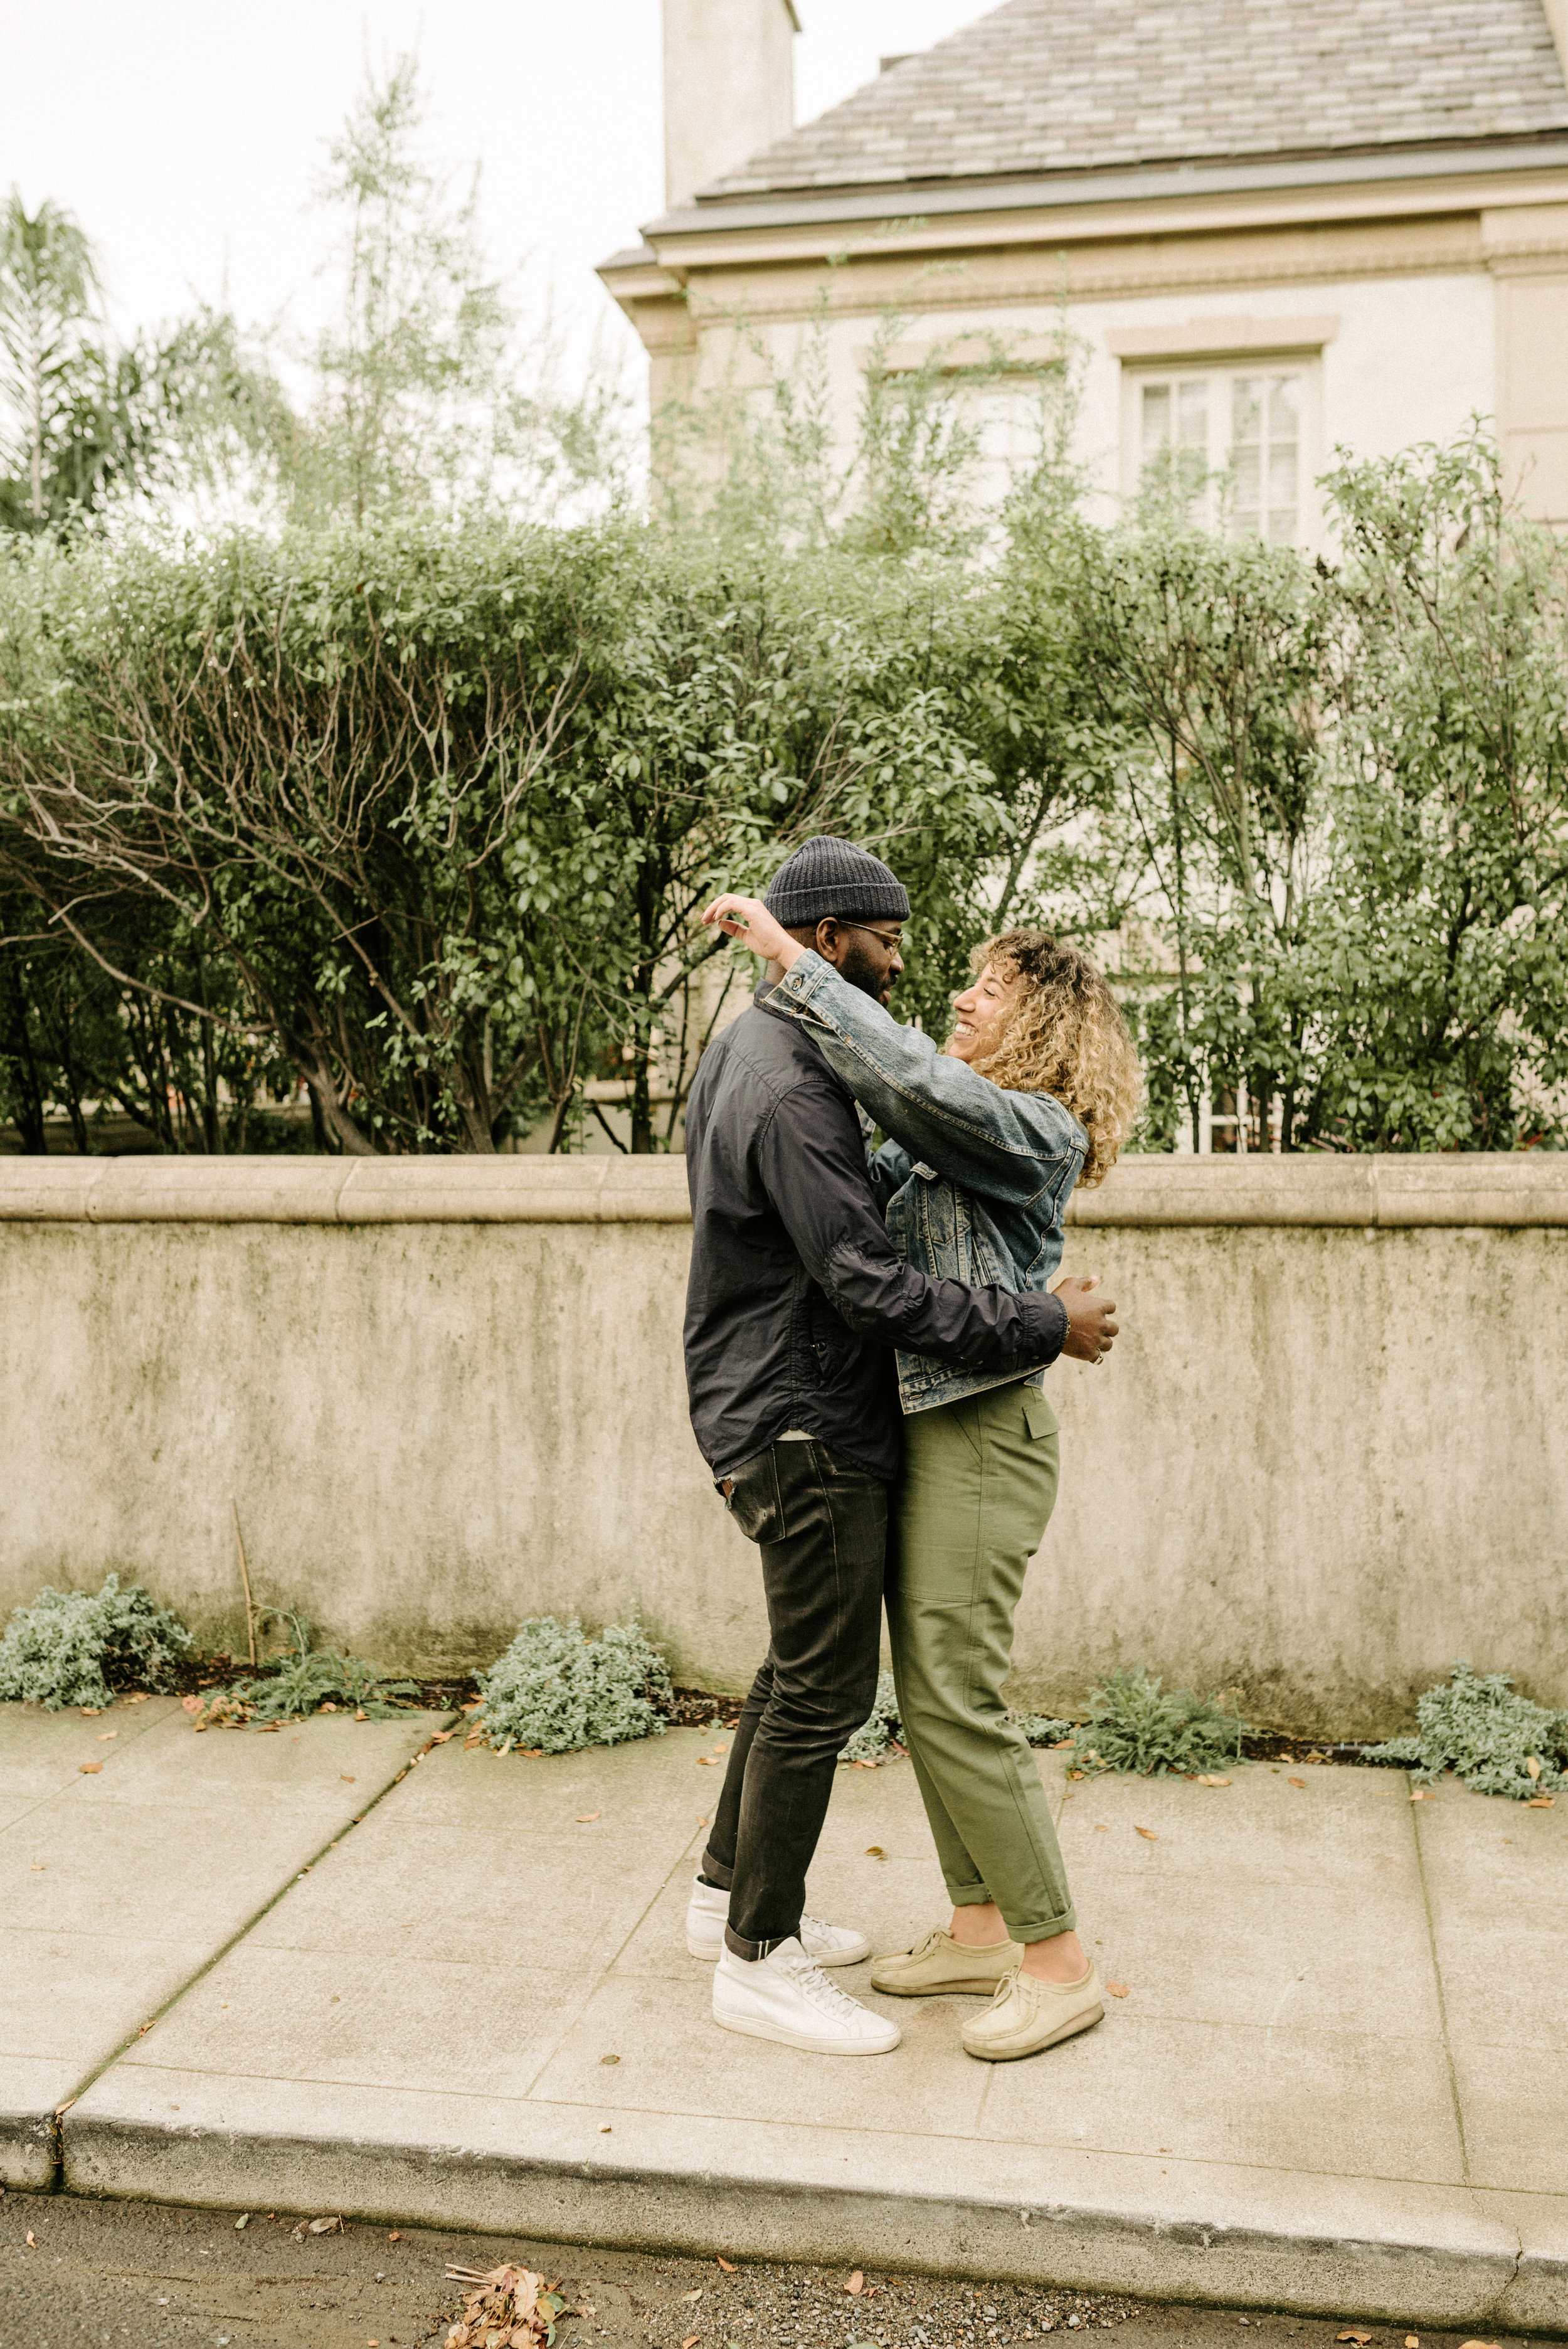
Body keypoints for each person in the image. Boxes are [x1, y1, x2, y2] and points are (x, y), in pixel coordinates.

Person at [682, 836, 1118, 2060]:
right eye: (945, 968)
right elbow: (888, 1134)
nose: (951, 990)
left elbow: (916, 1086)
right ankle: (954, 1928)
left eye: (989, 987)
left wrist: (785, 967)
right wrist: (793, 975)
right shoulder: (872, 1102)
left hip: (979, 1434)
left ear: (1043, 1029)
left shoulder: (1027, 1124)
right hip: (875, 1421)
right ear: (837, 933)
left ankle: (1052, 1957)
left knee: (942, 1694)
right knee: (889, 1689)